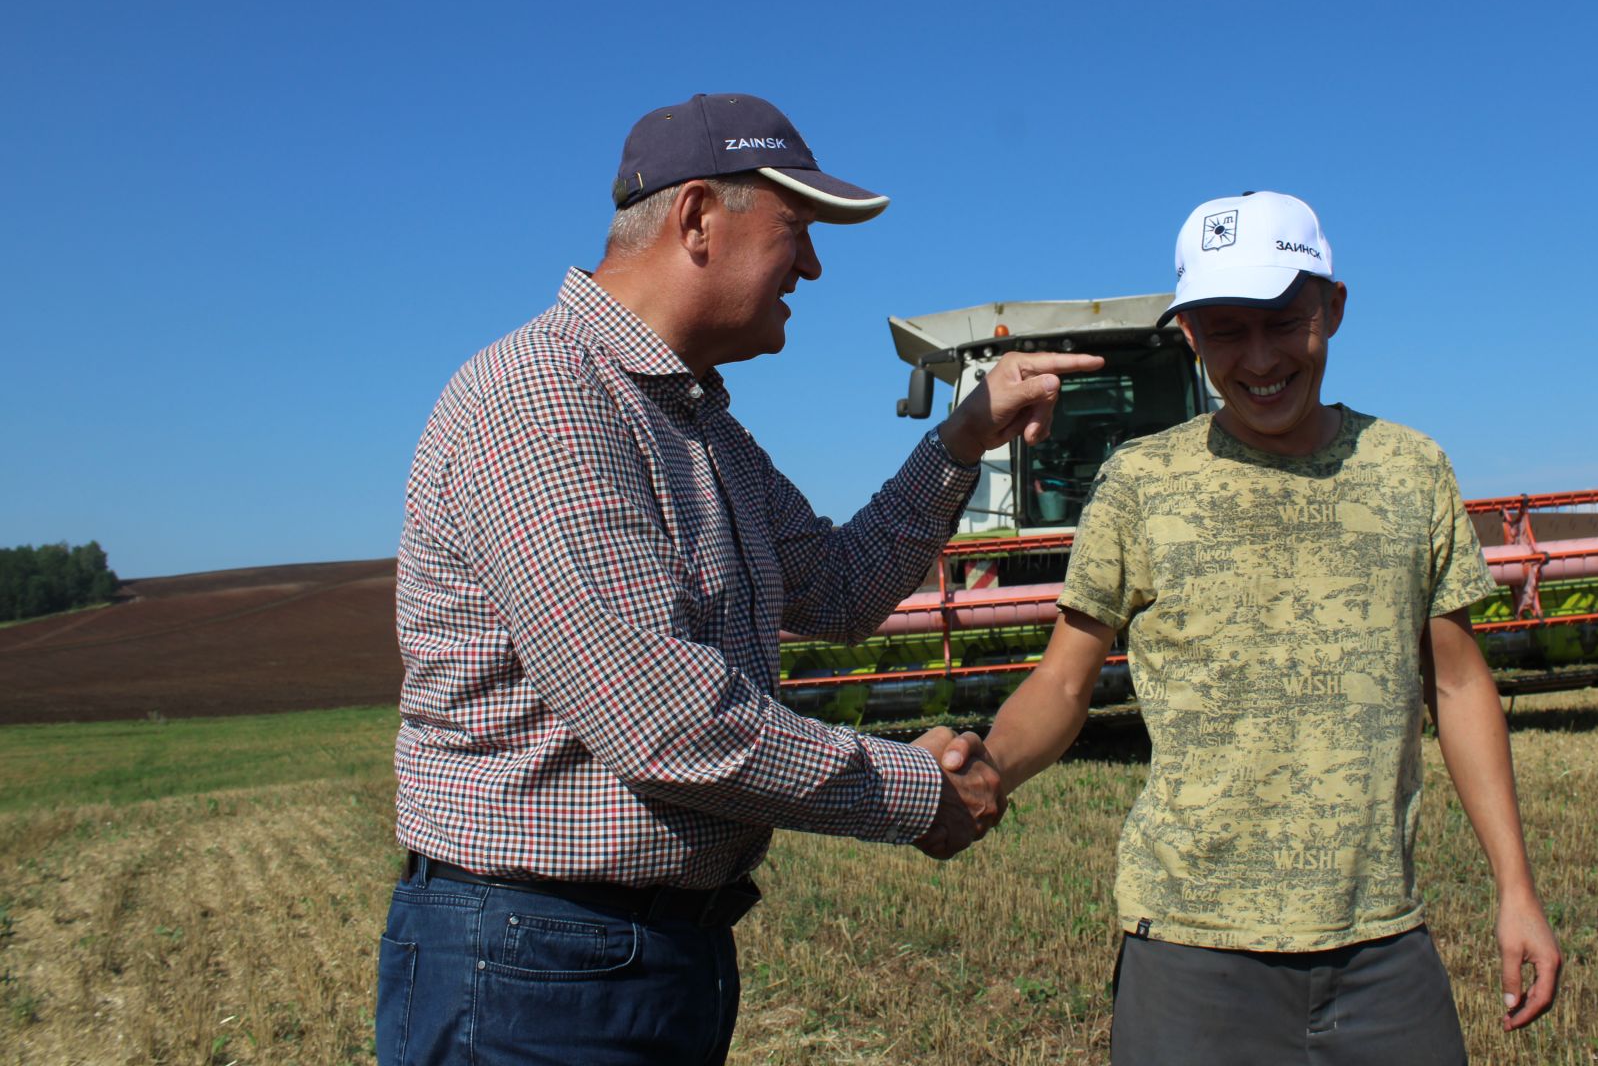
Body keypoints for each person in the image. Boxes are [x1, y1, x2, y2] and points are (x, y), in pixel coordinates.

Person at [376, 92, 1100, 1066]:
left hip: (629, 957)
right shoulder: (543, 401)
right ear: (697, 219)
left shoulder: (695, 421)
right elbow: (668, 720)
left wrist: (965, 435)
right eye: (796, 230)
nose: (811, 265)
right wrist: (915, 787)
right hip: (534, 968)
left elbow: (840, 586)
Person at [956, 191, 1562, 1064]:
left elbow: (1460, 684)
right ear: (1191, 339)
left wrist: (1517, 888)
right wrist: (987, 774)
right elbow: (1061, 682)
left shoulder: (1411, 470)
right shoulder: (1141, 483)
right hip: (1190, 953)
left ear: (1334, 310)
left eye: (1284, 322)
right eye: (1226, 331)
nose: (1261, 358)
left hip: (1381, 948)